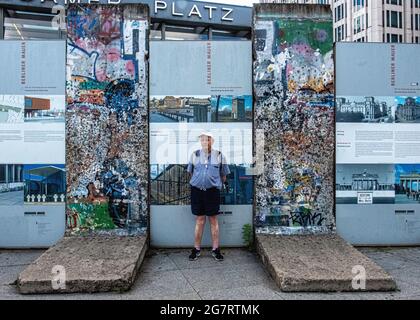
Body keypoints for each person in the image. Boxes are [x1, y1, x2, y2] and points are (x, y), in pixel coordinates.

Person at [187, 131, 230, 261]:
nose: (205, 142)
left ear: (213, 141)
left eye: (208, 139)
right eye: (203, 139)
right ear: (201, 141)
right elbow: (191, 173)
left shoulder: (220, 156)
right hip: (197, 191)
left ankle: (216, 249)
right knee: (200, 220)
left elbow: (224, 176)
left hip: (212, 192)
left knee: (213, 220)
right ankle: (196, 249)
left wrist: (214, 184)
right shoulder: (195, 155)